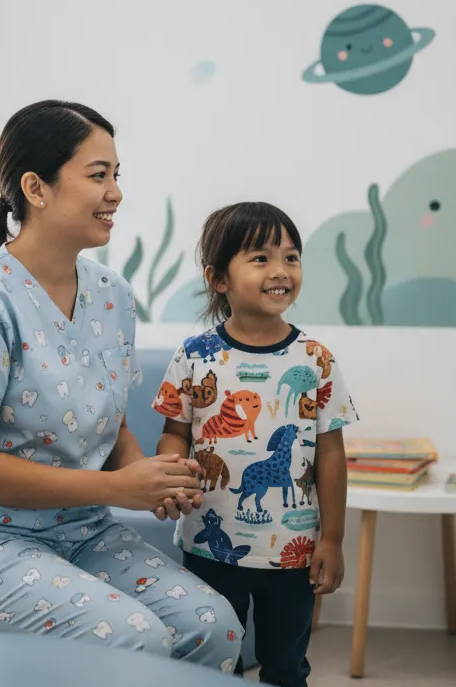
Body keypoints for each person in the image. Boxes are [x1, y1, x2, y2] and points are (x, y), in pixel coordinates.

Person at [0, 100, 243, 671]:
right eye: (98, 175)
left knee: (214, 629)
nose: (116, 193)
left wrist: (151, 479)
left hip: (81, 533)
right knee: (136, 641)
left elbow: (111, 425)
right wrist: (116, 489)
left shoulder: (113, 295)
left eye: (117, 175)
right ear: (36, 188)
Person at [153, 202, 358, 686]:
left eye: (291, 257)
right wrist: (168, 476)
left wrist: (332, 538)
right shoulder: (195, 355)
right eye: (261, 258)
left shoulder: (316, 360)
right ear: (219, 279)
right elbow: (174, 433)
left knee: (286, 666)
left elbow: (330, 453)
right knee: (210, 659)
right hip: (209, 544)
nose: (281, 271)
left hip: (292, 551)